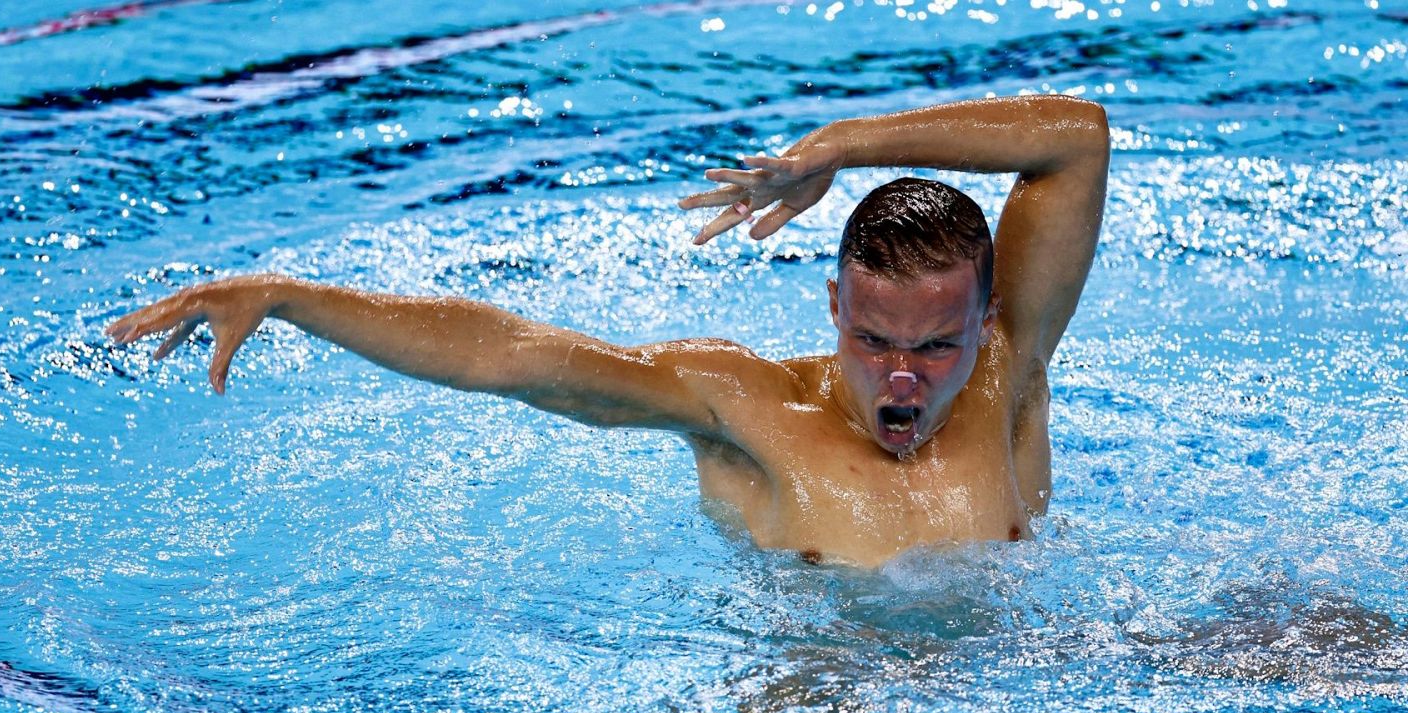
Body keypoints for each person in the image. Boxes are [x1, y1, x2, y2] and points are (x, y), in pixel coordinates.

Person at [105, 96, 1110, 566]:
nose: (901, 380)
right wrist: (288, 296)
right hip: (825, 693)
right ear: (833, 308)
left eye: (935, 347)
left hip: (1028, 670)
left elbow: (1075, 140)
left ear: (983, 323)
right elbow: (517, 357)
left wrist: (846, 144)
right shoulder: (744, 405)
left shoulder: (1007, 371)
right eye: (873, 340)